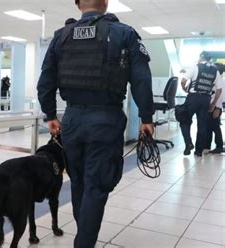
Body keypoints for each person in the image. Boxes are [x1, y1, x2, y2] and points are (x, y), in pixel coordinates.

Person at [37, 0, 154, 247]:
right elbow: (141, 79)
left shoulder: (61, 36)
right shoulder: (124, 33)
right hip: (105, 119)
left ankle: (84, 237)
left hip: (71, 120)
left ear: (78, 4)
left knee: (79, 182)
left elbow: (45, 80)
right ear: (106, 2)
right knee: (97, 186)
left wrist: (50, 116)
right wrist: (147, 118)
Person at [180, 52, 223, 157]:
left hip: (193, 98)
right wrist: (213, 103)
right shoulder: (215, 71)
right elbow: (219, 90)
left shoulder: (195, 67)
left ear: (201, 58)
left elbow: (183, 80)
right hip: (206, 99)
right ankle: (199, 151)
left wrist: (185, 89)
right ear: (209, 59)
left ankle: (188, 143)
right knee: (202, 125)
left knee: (184, 119)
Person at [205, 63, 224, 154]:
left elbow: (220, 96)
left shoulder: (220, 81)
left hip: (215, 106)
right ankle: (207, 145)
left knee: (215, 127)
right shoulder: (219, 80)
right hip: (215, 106)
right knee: (209, 126)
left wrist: (216, 107)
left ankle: (219, 146)